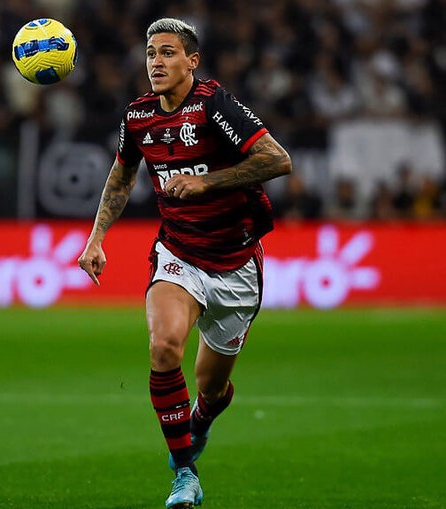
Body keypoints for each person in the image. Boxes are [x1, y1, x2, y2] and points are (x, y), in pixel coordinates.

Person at [77, 18, 292, 509]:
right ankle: (185, 475)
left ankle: (202, 420)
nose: (156, 61)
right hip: (178, 254)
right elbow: (121, 175)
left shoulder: (214, 105)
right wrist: (96, 238)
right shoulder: (138, 117)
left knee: (212, 389)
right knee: (163, 347)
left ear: (192, 61)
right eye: (151, 53)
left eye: (168, 53)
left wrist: (208, 181)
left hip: (236, 265)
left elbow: (278, 160)